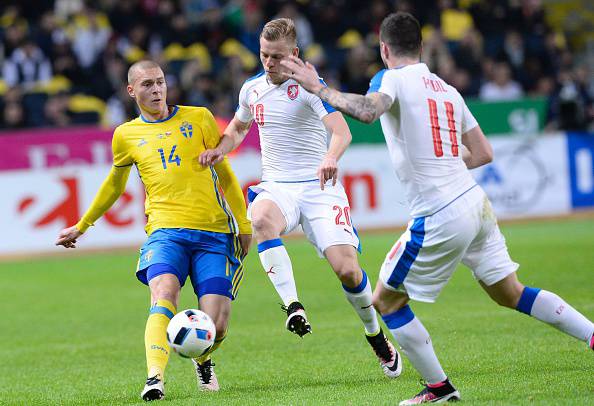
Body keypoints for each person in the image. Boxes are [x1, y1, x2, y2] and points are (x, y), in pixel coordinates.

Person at [281, 12, 594, 405]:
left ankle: (439, 389)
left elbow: (365, 112)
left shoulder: (390, 78)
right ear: (422, 47)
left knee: (386, 299)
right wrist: (442, 163)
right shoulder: (447, 88)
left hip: (440, 212)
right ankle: (591, 333)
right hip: (473, 201)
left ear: (384, 49)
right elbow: (483, 152)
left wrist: (319, 88)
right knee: (509, 292)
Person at [199, 18, 402, 378]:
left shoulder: (310, 86)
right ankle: (293, 306)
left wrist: (330, 157)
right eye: (264, 55)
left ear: (294, 53)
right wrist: (221, 148)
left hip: (318, 188)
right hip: (278, 186)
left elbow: (341, 132)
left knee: (347, 270)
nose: (269, 63)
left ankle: (374, 334)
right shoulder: (251, 89)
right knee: (259, 220)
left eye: (277, 56)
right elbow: (239, 127)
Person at [55, 60, 252, 401]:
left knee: (217, 325)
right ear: (132, 90)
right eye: (147, 84)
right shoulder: (126, 135)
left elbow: (226, 174)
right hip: (165, 231)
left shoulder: (199, 117)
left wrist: (244, 223)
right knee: (163, 294)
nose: (157, 89)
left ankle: (203, 359)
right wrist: (83, 225)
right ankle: (154, 378)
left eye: (160, 82)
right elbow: (114, 186)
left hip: (215, 233)